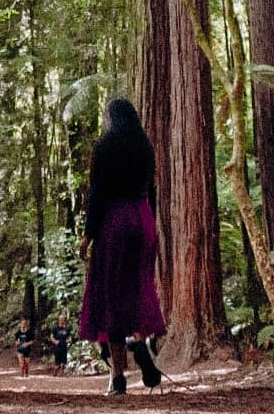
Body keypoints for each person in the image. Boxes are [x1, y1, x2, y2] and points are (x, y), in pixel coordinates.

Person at [78, 97, 166, 395]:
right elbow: (151, 190)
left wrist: (88, 235)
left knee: (111, 295)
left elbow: (97, 193)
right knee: (139, 288)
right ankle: (140, 344)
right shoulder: (145, 147)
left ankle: (118, 377)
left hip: (115, 222)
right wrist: (151, 227)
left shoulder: (104, 147)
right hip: (143, 220)